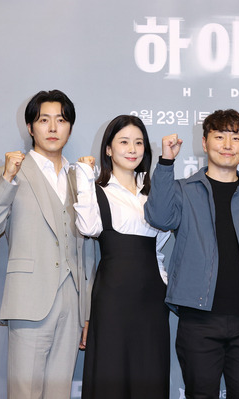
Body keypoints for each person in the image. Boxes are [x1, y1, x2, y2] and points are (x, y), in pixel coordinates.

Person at [145, 109, 239, 399]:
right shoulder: (183, 190)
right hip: (199, 319)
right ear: (205, 142)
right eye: (219, 136)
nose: (227, 144)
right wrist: (166, 162)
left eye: (236, 137)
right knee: (200, 394)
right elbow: (159, 217)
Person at [0, 89, 95, 398]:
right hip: (29, 301)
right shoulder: (12, 172)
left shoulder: (78, 176)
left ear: (70, 127)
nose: (53, 128)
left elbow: (87, 251)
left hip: (71, 303)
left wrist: (86, 312)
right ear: (31, 127)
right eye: (44, 120)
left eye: (61, 120)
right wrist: (7, 179)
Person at [73, 115, 171, 398]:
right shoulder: (98, 191)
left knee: (149, 374)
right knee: (110, 375)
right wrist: (83, 175)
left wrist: (162, 280)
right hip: (112, 300)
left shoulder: (154, 194)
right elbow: (87, 227)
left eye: (138, 142)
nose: (132, 149)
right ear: (108, 149)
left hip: (152, 300)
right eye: (124, 141)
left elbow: (159, 248)